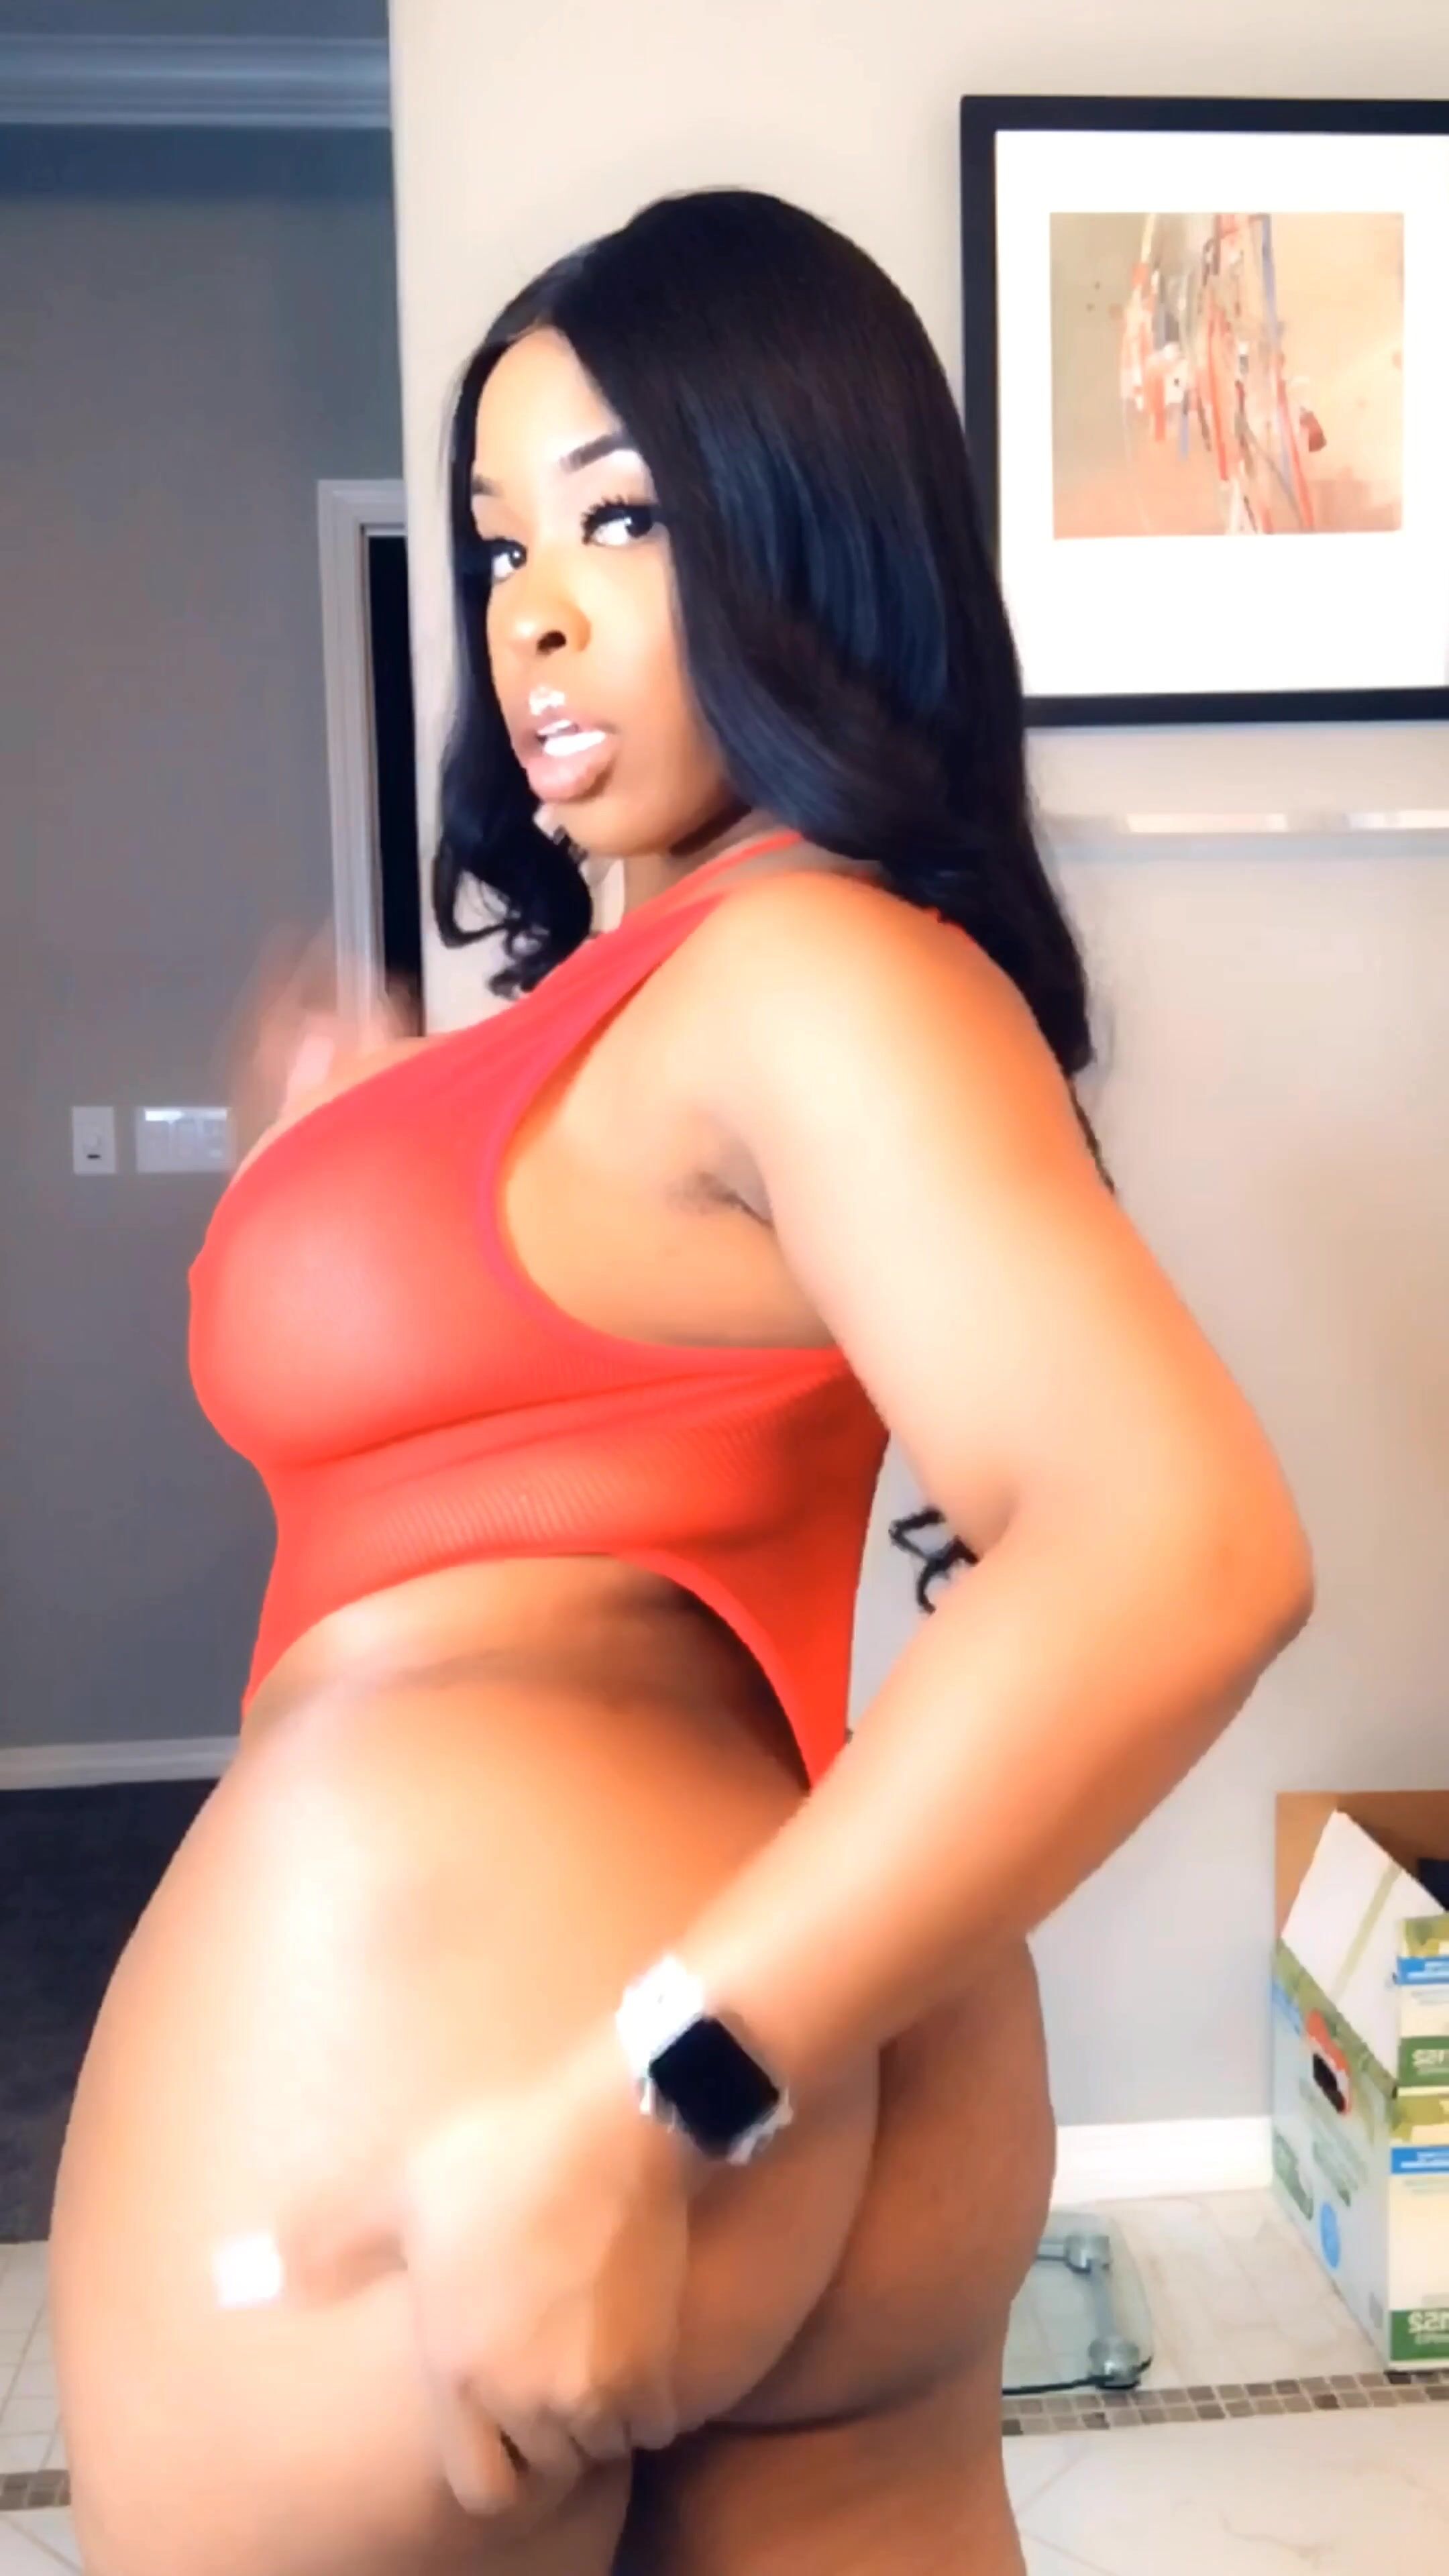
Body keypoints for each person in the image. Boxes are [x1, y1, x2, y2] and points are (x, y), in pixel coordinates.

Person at [47, 186, 1313, 2576]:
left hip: (557, 2088)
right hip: (775, 2079)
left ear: (807, 532)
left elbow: (1181, 1550)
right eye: (500, 541)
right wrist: (378, 1154)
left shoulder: (808, 972)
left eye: (621, 519)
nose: (529, 611)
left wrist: (656, 2091)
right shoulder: (692, 1000)